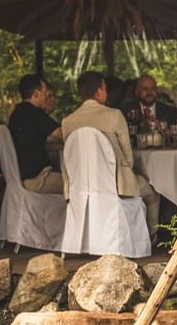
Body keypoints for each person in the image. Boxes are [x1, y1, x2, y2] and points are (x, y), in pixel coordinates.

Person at [62, 71, 160, 237]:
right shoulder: (114, 116)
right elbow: (128, 159)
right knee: (153, 195)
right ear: (98, 92)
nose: (106, 93)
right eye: (105, 89)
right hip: (116, 186)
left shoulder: (67, 122)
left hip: (81, 188)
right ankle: (152, 237)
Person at [7, 74, 64, 195]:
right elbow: (63, 133)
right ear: (36, 94)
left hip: (23, 178)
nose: (47, 97)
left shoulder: (17, 113)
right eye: (45, 93)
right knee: (78, 182)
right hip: (38, 179)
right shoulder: (34, 113)